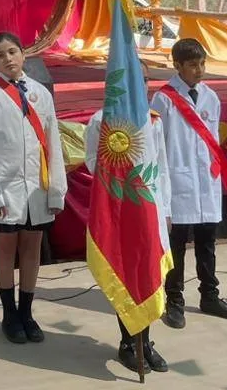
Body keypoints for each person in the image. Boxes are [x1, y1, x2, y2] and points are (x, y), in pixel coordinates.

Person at [0, 31, 67, 344]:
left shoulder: (41, 93)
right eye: (1, 55)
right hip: (6, 187)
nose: (8, 59)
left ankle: (27, 311)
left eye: (13, 51)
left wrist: (56, 190)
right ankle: (9, 314)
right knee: (5, 248)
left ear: (24, 54)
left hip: (37, 187)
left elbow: (53, 143)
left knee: (32, 248)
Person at [150, 37, 227, 330]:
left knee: (207, 241)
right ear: (177, 66)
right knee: (176, 243)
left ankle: (209, 295)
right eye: (192, 65)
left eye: (202, 63)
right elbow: (158, 143)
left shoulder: (211, 97)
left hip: (205, 181)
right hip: (177, 180)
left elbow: (211, 140)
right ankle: (173, 300)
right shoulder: (163, 99)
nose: (199, 70)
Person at [84, 68, 170, 374]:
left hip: (150, 209)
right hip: (121, 209)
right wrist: (120, 180)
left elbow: (161, 165)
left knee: (148, 274)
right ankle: (128, 343)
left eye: (142, 80)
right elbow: (94, 163)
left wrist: (166, 209)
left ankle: (146, 342)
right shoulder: (100, 121)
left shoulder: (153, 120)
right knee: (126, 274)